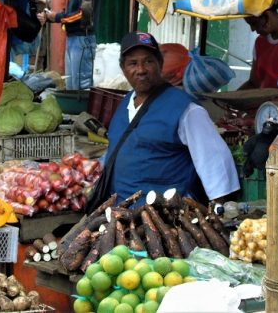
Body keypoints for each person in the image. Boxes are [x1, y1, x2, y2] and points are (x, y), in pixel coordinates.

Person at [100, 32, 240, 206]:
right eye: (133, 63)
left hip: (165, 219)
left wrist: (219, 208)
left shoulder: (185, 109)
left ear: (160, 63)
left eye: (148, 61)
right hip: (121, 215)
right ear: (123, 68)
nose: (141, 69)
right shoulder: (124, 105)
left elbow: (214, 160)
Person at [37, 0, 100, 90]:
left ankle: (83, 111)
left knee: (80, 85)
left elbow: (83, 14)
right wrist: (50, 17)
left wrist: (57, 17)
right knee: (72, 84)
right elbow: (71, 13)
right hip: (74, 39)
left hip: (82, 40)